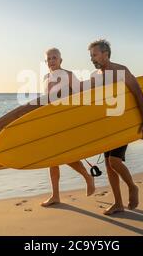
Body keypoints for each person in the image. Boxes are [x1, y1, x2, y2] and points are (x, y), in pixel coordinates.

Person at [88, 39, 143, 215]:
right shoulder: (95, 76)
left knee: (114, 161)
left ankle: (132, 187)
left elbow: (139, 93)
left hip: (123, 123)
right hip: (106, 125)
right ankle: (118, 203)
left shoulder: (120, 70)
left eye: (94, 55)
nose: (92, 58)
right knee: (109, 166)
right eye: (91, 56)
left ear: (105, 53)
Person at [41, 48, 95, 207]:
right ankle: (55, 195)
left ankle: (87, 176)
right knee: (52, 158)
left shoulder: (69, 75)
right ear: (46, 62)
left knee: (66, 156)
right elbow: (46, 101)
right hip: (51, 121)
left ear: (60, 60)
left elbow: (81, 95)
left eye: (54, 58)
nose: (52, 61)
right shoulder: (45, 77)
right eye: (49, 58)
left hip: (66, 121)